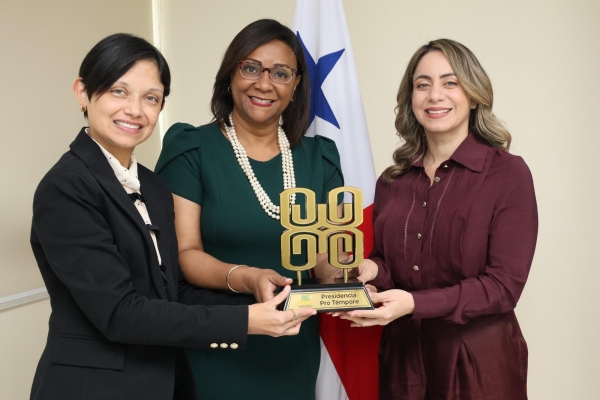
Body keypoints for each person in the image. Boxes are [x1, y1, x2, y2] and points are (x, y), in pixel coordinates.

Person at [30, 33, 315, 400]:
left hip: (163, 383)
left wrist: (265, 298)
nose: (135, 110)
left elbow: (172, 293)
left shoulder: (152, 186)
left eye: (150, 98)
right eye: (119, 91)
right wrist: (246, 321)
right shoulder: (66, 187)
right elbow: (119, 312)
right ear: (83, 93)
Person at [336, 39, 538, 399]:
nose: (434, 95)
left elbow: (503, 287)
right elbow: (393, 269)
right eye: (422, 84)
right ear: (410, 98)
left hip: (477, 362)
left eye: (450, 82)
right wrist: (369, 270)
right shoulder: (393, 180)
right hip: (402, 359)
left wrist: (414, 304)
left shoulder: (507, 173)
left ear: (473, 95)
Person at [155, 19, 343, 400]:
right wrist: (248, 278)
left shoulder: (320, 158)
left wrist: (347, 275)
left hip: (293, 346)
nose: (264, 83)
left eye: (281, 73)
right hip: (217, 343)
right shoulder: (191, 149)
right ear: (231, 74)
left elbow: (324, 257)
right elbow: (185, 253)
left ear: (296, 85)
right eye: (251, 68)